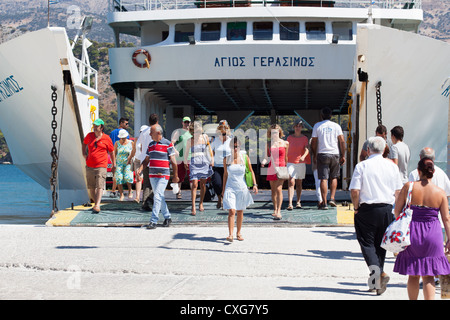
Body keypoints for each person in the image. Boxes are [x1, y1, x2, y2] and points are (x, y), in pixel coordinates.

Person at [349, 136, 403, 295]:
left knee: (367, 244)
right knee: (380, 245)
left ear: (367, 150)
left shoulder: (362, 166)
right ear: (384, 149)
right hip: (387, 209)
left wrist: (356, 207)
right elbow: (398, 191)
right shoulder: (392, 166)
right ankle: (375, 282)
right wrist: (396, 210)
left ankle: (378, 274)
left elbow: (354, 190)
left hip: (367, 209)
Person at [393, 158, 450, 300]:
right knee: (429, 275)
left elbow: (396, 211)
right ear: (433, 172)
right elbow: (446, 219)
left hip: (412, 231)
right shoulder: (440, 192)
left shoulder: (409, 186)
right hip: (433, 233)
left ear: (418, 171)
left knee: (413, 274)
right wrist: (449, 238)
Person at [137, 124, 179, 229]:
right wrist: (140, 169)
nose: (150, 134)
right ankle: (167, 217)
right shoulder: (150, 145)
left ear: (158, 133)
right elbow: (146, 160)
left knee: (157, 196)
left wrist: (176, 176)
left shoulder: (168, 144)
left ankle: (153, 221)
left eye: (151, 132)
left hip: (164, 175)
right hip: (152, 175)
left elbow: (173, 162)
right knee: (159, 196)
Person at [222, 137, 258, 242]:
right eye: (233, 146)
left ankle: (238, 233)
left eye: (237, 146)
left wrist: (254, 184)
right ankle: (230, 234)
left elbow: (251, 171)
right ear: (230, 147)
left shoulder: (245, 158)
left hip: (242, 188)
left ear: (240, 146)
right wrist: (223, 189)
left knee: (240, 211)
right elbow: (225, 175)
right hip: (230, 187)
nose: (235, 148)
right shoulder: (226, 159)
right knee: (232, 210)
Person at [311, 107, 345, 209]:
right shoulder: (336, 126)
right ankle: (332, 198)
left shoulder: (317, 126)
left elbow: (314, 142)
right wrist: (343, 155)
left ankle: (324, 202)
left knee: (323, 179)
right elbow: (342, 141)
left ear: (322, 115)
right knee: (334, 177)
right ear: (331, 116)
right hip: (334, 153)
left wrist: (314, 154)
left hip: (322, 153)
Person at [82, 118, 115, 214]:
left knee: (100, 185)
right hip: (90, 165)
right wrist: (84, 154)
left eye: (97, 126)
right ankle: (96, 202)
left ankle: (97, 205)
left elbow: (112, 152)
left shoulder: (106, 138)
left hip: (101, 165)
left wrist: (114, 164)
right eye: (94, 126)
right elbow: (84, 144)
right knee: (91, 187)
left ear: (102, 127)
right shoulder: (89, 136)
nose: (95, 128)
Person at [185, 121, 213, 215]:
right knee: (194, 184)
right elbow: (186, 153)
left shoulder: (205, 137)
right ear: (192, 132)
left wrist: (212, 159)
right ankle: (193, 206)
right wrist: (185, 161)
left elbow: (209, 150)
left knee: (203, 184)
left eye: (198, 131)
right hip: (194, 162)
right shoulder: (190, 140)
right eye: (195, 132)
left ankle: (201, 203)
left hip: (204, 161)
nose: (197, 134)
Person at [261, 124, 289, 220]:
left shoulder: (285, 143)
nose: (274, 134)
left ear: (279, 132)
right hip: (271, 167)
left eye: (276, 132)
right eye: (272, 133)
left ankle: (279, 211)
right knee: (273, 190)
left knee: (279, 189)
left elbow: (286, 157)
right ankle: (275, 209)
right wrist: (263, 162)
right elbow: (266, 157)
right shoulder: (268, 144)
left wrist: (286, 167)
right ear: (270, 134)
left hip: (281, 167)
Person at [136, 114, 159, 211]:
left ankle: (145, 202)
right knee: (157, 183)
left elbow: (139, 145)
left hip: (145, 160)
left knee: (147, 183)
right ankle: (154, 202)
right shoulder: (158, 131)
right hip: (155, 160)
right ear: (157, 121)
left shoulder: (143, 132)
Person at [286, 119, 310, 210]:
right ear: (294, 127)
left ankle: (298, 201)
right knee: (291, 181)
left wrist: (304, 156)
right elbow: (286, 150)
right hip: (290, 162)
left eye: (299, 126)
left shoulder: (304, 138)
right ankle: (290, 203)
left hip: (300, 162)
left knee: (299, 183)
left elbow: (307, 149)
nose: (298, 127)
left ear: (301, 127)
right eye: (296, 126)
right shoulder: (289, 138)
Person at [211, 123, 232, 209]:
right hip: (217, 166)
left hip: (228, 166)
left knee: (227, 185)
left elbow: (235, 152)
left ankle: (225, 200)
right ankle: (219, 198)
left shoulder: (231, 141)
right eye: (220, 133)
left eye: (224, 134)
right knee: (217, 183)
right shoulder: (215, 141)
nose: (222, 135)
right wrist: (211, 159)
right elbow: (209, 150)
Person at [171, 116, 192, 200]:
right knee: (180, 175)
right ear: (182, 123)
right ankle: (178, 192)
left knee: (192, 176)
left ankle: (193, 194)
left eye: (188, 122)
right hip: (180, 157)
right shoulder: (178, 131)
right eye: (185, 122)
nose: (187, 124)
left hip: (190, 157)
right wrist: (175, 150)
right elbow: (172, 142)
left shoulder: (191, 132)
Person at [109, 117, 129, 196]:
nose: (127, 125)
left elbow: (110, 143)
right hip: (121, 154)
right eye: (126, 123)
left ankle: (117, 190)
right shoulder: (124, 132)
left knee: (116, 172)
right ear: (121, 123)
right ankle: (114, 191)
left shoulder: (112, 132)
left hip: (113, 153)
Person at [130, 125, 148, 203]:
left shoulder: (148, 139)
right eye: (141, 132)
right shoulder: (137, 139)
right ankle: (137, 197)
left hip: (145, 161)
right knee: (138, 178)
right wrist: (130, 158)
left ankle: (146, 198)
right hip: (137, 160)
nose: (142, 133)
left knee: (147, 180)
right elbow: (134, 150)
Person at [114, 129, 134, 201]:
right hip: (119, 163)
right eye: (122, 138)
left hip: (128, 162)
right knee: (119, 178)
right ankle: (121, 194)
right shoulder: (117, 143)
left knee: (128, 177)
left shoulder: (131, 143)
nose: (123, 139)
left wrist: (131, 157)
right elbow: (114, 153)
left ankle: (130, 190)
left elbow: (134, 151)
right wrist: (114, 163)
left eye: (124, 137)